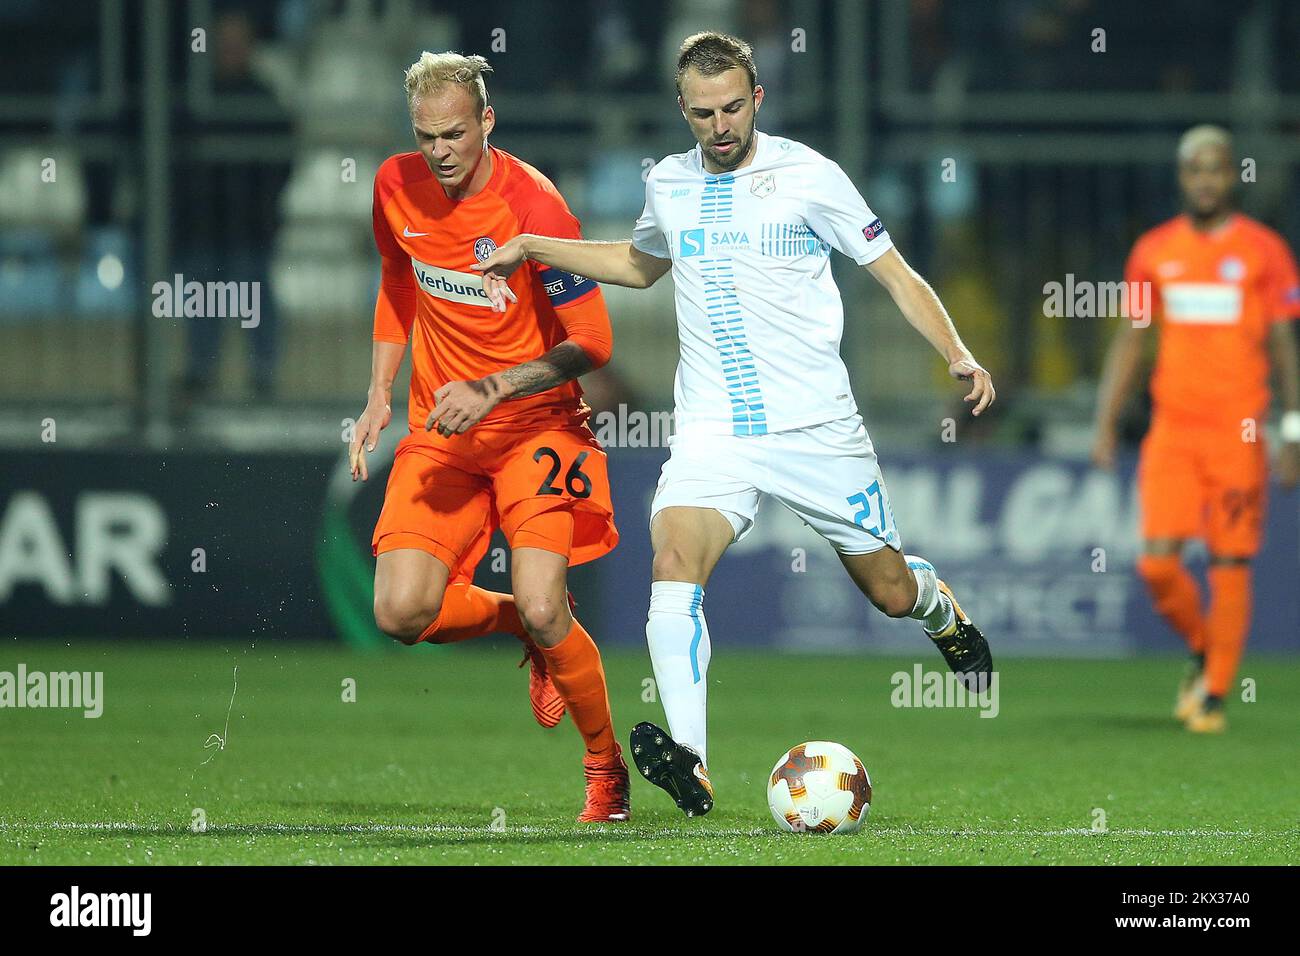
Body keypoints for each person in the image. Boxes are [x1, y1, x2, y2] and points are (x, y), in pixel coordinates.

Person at [474, 32, 995, 817]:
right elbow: (640, 264)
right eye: (702, 113)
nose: (719, 127)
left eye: (731, 108)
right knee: (674, 561)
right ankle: (693, 761)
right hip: (713, 430)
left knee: (886, 591)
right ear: (682, 110)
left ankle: (938, 608)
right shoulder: (669, 182)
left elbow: (894, 272)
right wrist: (532, 246)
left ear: (757, 98)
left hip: (817, 427)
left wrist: (956, 351)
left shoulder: (810, 176)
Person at [349, 52, 629, 821]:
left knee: (550, 605)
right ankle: (527, 628)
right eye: (425, 135)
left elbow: (594, 343)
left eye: (454, 133)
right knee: (401, 614)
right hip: (445, 430)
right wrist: (378, 391)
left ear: (487, 122)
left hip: (538, 427)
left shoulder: (536, 206)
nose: (439, 150)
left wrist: (496, 386)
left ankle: (605, 767)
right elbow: (398, 275)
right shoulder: (393, 185)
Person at [1092, 125, 1300, 734]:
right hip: (1173, 432)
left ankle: (1212, 695)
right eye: (1194, 169)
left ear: (1233, 175)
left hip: (1238, 433)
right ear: (1182, 177)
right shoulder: (1154, 251)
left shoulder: (1264, 251)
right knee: (1158, 566)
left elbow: (1287, 344)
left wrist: (1293, 428)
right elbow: (1131, 340)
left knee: (1230, 561)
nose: (1205, 179)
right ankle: (1207, 648)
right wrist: (1105, 421)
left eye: (1216, 168)